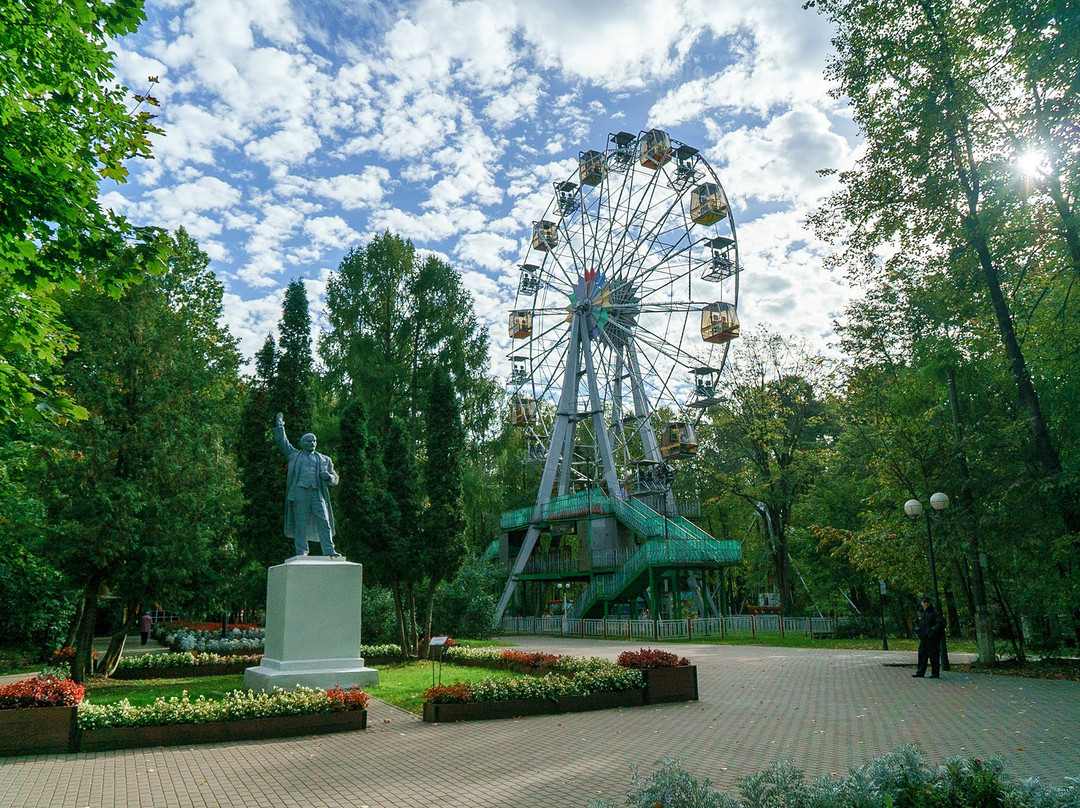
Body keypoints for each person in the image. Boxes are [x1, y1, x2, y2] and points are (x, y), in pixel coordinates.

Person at [273, 412, 341, 558]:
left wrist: (329, 477)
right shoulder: (294, 455)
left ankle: (329, 550)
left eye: (314, 441)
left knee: (324, 521)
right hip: (300, 493)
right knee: (300, 524)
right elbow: (282, 442)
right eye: (309, 441)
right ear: (302, 443)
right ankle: (302, 552)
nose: (312, 444)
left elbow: (335, 478)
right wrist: (280, 426)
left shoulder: (324, 459)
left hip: (317, 494)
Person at [913, 595, 945, 678]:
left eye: (927, 602)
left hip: (933, 639)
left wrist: (932, 631)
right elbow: (916, 624)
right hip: (923, 638)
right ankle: (920, 672)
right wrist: (918, 632)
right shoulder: (919, 613)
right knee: (922, 655)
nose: (926, 604)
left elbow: (940, 623)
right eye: (924, 602)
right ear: (921, 603)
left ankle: (935, 673)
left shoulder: (935, 612)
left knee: (934, 656)